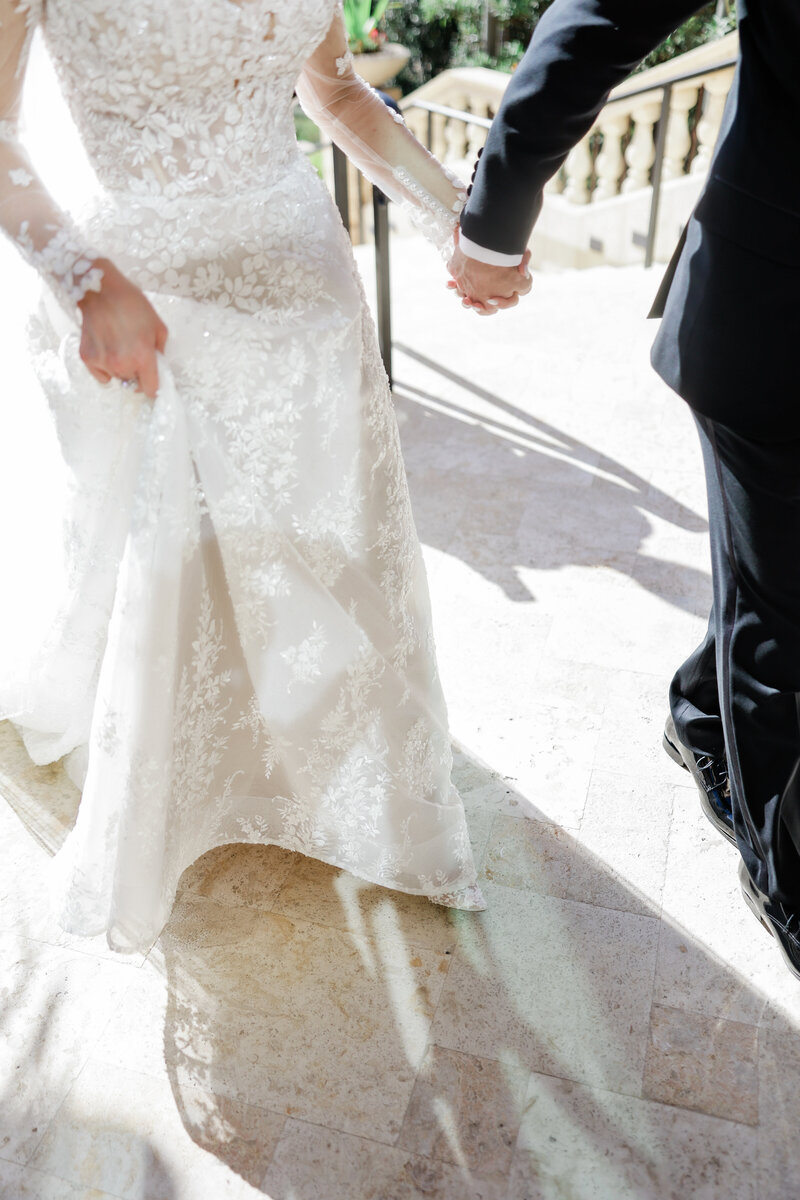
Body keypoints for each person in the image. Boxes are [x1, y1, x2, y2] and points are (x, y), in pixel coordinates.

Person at [0, 0, 485, 954]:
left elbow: (337, 90)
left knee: (318, 540)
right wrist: (87, 282)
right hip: (137, 296)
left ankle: (328, 768)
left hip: (300, 283)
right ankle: (179, 794)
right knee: (172, 564)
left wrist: (458, 224)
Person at [448, 0, 800, 979]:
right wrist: (492, 222)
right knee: (782, 620)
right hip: (778, 316)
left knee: (768, 592)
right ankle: (787, 878)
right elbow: (601, 16)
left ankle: (700, 707)